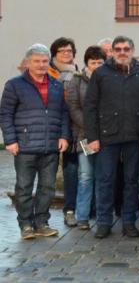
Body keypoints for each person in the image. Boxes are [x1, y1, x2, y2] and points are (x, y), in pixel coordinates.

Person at [84, 36, 139, 239]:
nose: (122, 52)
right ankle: (104, 222)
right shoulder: (101, 74)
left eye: (126, 49)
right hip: (107, 136)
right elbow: (90, 107)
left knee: (131, 181)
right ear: (112, 52)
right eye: (118, 49)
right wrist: (92, 137)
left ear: (132, 50)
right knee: (105, 180)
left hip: (135, 136)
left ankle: (129, 222)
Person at [1, 43, 70, 239]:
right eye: (36, 61)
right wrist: (10, 140)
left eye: (44, 61)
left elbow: (63, 113)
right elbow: (5, 114)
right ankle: (25, 225)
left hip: (50, 146)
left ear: (49, 62)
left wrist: (64, 136)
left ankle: (42, 222)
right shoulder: (14, 85)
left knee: (47, 187)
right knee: (24, 187)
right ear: (28, 62)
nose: (41, 65)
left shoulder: (57, 85)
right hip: (25, 145)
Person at [67, 46, 106, 230]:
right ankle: (82, 216)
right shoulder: (77, 80)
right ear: (87, 63)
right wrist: (92, 130)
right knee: (86, 176)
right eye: (93, 62)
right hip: (85, 136)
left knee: (103, 176)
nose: (97, 65)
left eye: (100, 62)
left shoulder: (109, 79)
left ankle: (101, 215)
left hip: (106, 137)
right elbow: (74, 108)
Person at [48, 37, 80, 227]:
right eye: (62, 51)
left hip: (77, 130)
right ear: (55, 54)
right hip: (59, 129)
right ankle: (68, 210)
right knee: (65, 173)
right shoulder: (50, 73)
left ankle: (76, 209)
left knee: (77, 172)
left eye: (69, 50)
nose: (66, 54)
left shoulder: (77, 72)